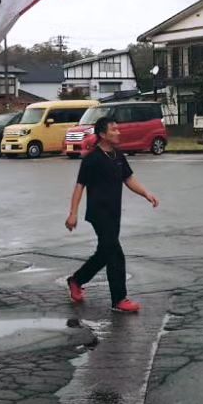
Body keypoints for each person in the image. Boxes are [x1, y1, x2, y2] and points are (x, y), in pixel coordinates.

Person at [65, 115, 160, 314]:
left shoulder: (118, 155)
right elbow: (79, 187)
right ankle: (119, 299)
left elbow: (129, 179)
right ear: (102, 134)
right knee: (115, 253)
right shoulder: (92, 159)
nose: (118, 132)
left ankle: (76, 280)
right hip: (99, 213)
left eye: (118, 129)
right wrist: (72, 214)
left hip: (114, 212)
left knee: (104, 253)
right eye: (113, 130)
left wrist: (147, 194)